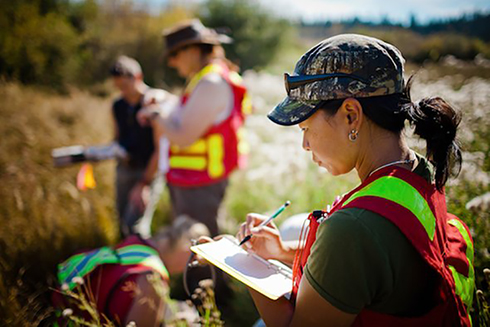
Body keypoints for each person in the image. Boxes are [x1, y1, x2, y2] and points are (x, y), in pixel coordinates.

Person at [236, 34, 475, 326]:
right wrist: (283, 252)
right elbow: (379, 261)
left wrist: (243, 267)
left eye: (305, 128)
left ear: (351, 115)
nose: (305, 145)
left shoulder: (353, 227)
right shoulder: (418, 171)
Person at [138, 19, 251, 237]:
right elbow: (190, 112)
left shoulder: (211, 83)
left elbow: (182, 137)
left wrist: (155, 116)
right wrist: (163, 98)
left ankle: (207, 275)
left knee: (199, 249)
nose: (171, 62)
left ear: (192, 50)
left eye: (174, 55)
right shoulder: (205, 78)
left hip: (199, 183)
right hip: (195, 179)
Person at [52, 216, 208, 326]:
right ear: (185, 251)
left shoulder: (136, 243)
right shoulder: (153, 279)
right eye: (192, 259)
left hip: (56, 309)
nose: (188, 266)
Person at [110, 56, 173, 238]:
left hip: (148, 172)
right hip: (124, 170)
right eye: (118, 87)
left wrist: (144, 183)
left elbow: (159, 149)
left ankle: (143, 264)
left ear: (138, 77)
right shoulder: (117, 106)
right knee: (122, 223)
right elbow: (117, 138)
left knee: (135, 227)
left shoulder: (153, 103)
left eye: (125, 86)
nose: (122, 92)